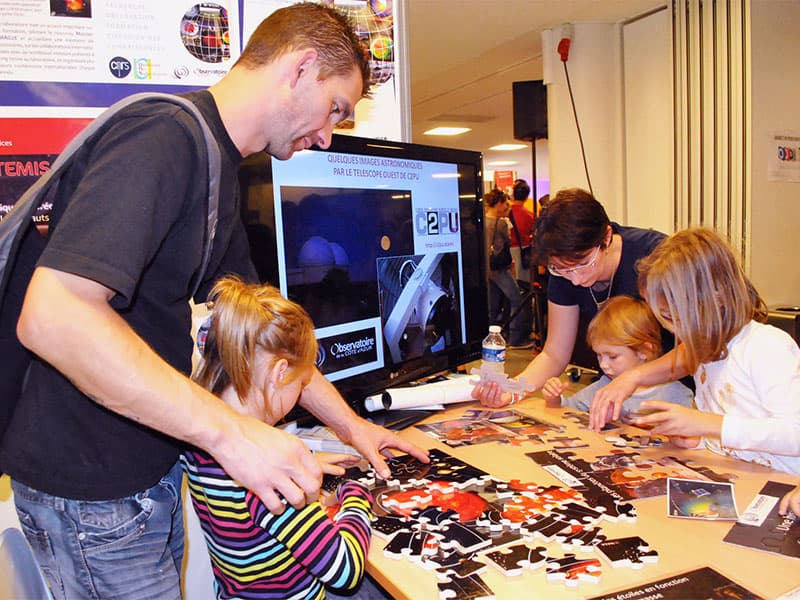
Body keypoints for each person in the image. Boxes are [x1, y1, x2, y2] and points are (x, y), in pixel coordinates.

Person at [1, 4, 426, 599]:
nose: (328, 135)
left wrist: (353, 427)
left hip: (144, 471)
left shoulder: (214, 165)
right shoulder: (163, 138)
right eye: (335, 109)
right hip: (89, 485)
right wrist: (232, 434)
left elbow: (266, 338)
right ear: (302, 67)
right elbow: (53, 316)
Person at [183, 276, 376, 599]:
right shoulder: (273, 472)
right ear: (279, 373)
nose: (301, 393)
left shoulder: (199, 443)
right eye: (300, 384)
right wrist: (357, 498)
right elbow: (345, 570)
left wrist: (310, 461)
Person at [590, 228, 800, 473]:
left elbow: (794, 433)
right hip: (739, 479)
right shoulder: (706, 351)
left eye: (673, 317)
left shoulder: (766, 346)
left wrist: (708, 424)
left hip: (785, 488)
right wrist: (698, 440)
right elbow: (737, 438)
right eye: (665, 319)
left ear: (717, 297)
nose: (672, 330)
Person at [473, 188, 666, 407]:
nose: (574, 280)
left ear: (606, 237)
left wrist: (636, 377)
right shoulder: (563, 269)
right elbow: (554, 353)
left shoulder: (655, 257)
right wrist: (513, 391)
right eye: (560, 269)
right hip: (616, 388)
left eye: (583, 264)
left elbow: (698, 344)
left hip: (673, 389)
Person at [542, 295, 693, 419]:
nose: (603, 365)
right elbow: (569, 409)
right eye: (599, 355)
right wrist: (554, 399)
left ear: (644, 351)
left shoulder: (675, 394)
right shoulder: (606, 385)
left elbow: (688, 439)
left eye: (612, 357)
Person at [484, 188, 531, 348]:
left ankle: (488, 339)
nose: (507, 208)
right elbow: (502, 247)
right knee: (516, 299)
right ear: (498, 203)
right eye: (505, 204)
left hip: (488, 269)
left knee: (492, 307)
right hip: (500, 269)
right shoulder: (501, 223)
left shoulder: (482, 221)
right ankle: (516, 338)